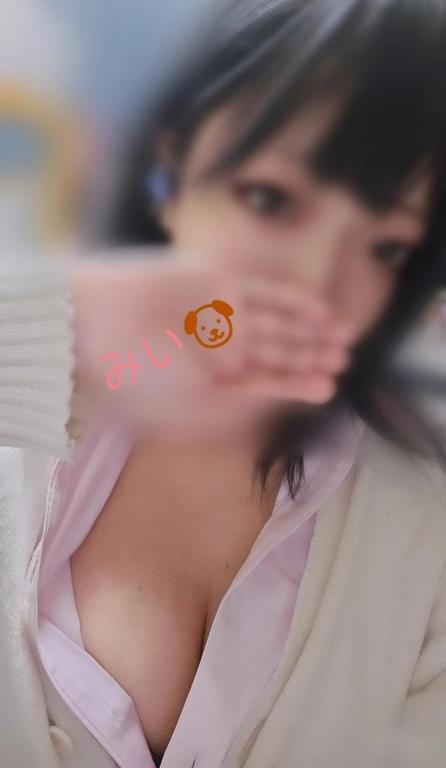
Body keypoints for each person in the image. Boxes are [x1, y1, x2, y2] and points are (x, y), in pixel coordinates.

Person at [1, 1, 446, 767]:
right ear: (172, 164)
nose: (317, 285)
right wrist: (57, 346)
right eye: (270, 199)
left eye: (388, 247)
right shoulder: (20, 417)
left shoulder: (421, 534)